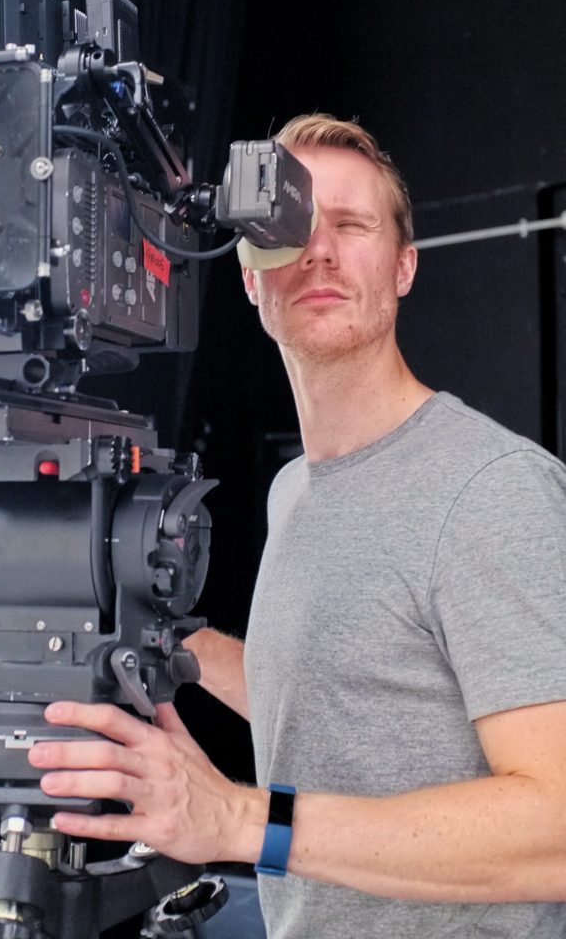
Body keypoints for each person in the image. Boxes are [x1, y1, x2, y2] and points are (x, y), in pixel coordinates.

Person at [28, 114, 566, 937]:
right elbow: (342, 706)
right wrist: (172, 645)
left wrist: (242, 821)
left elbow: (555, 829)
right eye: (287, 229)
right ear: (250, 278)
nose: (318, 251)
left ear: (403, 266)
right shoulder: (294, 492)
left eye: (351, 225)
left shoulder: (490, 489)